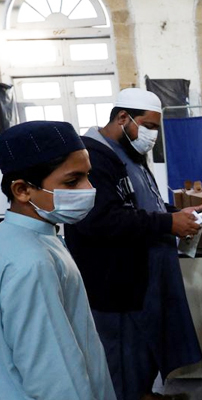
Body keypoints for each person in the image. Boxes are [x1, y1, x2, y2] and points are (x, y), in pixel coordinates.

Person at [64, 88, 202, 400]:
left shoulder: (131, 155)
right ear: (122, 117)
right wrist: (169, 223)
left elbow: (143, 204)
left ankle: (144, 393)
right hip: (116, 287)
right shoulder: (95, 159)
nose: (152, 135)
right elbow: (101, 220)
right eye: (149, 126)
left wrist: (174, 213)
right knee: (123, 360)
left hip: (141, 281)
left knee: (143, 352)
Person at [0, 121, 116, 399]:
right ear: (22, 190)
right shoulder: (32, 262)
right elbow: (54, 373)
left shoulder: (22, 238)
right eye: (72, 181)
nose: (89, 189)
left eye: (88, 176)